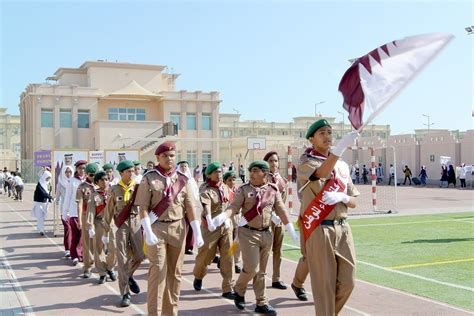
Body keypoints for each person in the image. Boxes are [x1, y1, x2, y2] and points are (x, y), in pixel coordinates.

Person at [213, 160, 299, 315]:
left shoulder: (273, 190)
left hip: (267, 234)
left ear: (264, 174)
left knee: (262, 271)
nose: (251, 174)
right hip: (248, 233)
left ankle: (261, 302)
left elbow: (281, 209)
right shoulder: (244, 190)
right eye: (251, 171)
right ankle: (239, 289)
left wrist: (290, 228)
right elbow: (234, 207)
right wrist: (224, 216)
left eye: (255, 171)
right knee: (252, 268)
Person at [297, 119, 359, 315]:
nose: (327, 136)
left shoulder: (342, 166)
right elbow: (320, 174)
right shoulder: (306, 162)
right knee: (324, 287)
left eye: (329, 132)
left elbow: (354, 201)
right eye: (322, 133)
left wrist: (343, 196)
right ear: (312, 139)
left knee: (348, 282)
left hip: (343, 228)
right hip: (319, 228)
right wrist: (339, 149)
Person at [135, 141, 204, 316]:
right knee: (158, 272)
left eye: (172, 155)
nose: (169, 159)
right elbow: (142, 207)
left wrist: (197, 231)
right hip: (157, 228)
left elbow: (189, 206)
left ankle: (171, 312)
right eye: (165, 156)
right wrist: (148, 232)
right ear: (158, 157)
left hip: (178, 228)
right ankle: (154, 313)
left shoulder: (183, 179)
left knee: (175, 274)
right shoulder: (149, 177)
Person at [193, 161, 236, 299]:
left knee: (229, 256)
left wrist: (230, 218)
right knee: (205, 257)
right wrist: (210, 220)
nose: (219, 174)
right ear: (209, 175)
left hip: (226, 227)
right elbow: (206, 206)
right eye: (215, 172)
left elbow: (232, 203)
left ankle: (228, 288)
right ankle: (198, 276)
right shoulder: (205, 189)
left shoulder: (225, 187)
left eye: (220, 172)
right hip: (209, 228)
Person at [105, 160, 144, 307]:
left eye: (133, 171)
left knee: (140, 256)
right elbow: (109, 211)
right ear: (121, 173)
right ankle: (125, 293)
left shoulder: (138, 188)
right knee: (121, 260)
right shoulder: (114, 190)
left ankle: (128, 276)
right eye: (128, 171)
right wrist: (105, 230)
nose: (132, 173)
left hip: (135, 222)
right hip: (121, 225)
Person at [263, 151, 288, 290]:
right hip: (266, 219)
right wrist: (271, 214)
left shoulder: (282, 180)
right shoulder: (263, 179)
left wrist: (281, 217)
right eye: (271, 161)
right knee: (265, 249)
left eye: (276, 161)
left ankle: (276, 278)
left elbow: (282, 202)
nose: (274, 163)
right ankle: (261, 276)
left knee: (278, 250)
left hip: (279, 220)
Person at [87, 171, 117, 285]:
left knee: (114, 247)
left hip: (111, 223)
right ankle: (102, 273)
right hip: (99, 223)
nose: (105, 182)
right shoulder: (94, 195)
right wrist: (90, 226)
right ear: (97, 182)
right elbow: (90, 211)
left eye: (106, 179)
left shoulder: (112, 192)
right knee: (99, 249)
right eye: (102, 180)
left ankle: (110, 267)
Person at [76, 162, 97, 278]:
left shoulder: (101, 185)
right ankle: (87, 267)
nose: (93, 177)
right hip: (86, 216)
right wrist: (79, 219)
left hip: (99, 217)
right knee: (87, 241)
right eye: (91, 175)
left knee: (99, 242)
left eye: (95, 174)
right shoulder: (82, 187)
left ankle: (101, 265)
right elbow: (79, 204)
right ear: (87, 174)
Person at [177, 160, 201, 255]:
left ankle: (189, 247)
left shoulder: (191, 180)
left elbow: (196, 193)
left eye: (185, 166)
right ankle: (180, 246)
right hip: (180, 207)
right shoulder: (176, 178)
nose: (183, 168)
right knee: (182, 227)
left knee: (191, 226)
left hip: (191, 207)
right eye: (182, 166)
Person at [69, 160, 87, 265]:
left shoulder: (88, 180)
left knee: (84, 235)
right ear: (77, 169)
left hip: (86, 212)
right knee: (76, 234)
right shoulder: (72, 181)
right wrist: (65, 212)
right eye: (80, 168)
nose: (82, 170)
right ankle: (74, 255)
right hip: (74, 212)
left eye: (84, 168)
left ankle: (82, 254)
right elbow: (68, 197)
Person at [223, 170, 241, 273]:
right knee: (227, 241)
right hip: (228, 219)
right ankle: (225, 258)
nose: (232, 182)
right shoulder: (224, 191)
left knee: (237, 241)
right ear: (225, 181)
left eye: (234, 179)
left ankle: (236, 262)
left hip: (238, 218)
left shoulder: (239, 190)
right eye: (229, 180)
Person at [56, 165, 74, 258]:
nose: (68, 174)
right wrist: (58, 210)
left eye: (70, 172)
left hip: (74, 210)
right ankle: (67, 249)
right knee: (68, 229)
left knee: (75, 230)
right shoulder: (60, 183)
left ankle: (74, 249)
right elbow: (57, 197)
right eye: (66, 172)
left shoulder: (75, 182)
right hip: (64, 210)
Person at [32, 170, 53, 236]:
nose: (48, 179)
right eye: (47, 178)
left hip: (45, 203)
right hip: (39, 203)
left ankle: (40, 228)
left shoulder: (47, 184)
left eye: (49, 178)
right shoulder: (40, 185)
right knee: (40, 217)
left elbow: (48, 192)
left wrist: (49, 199)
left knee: (43, 217)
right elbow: (43, 193)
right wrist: (50, 197)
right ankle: (41, 230)